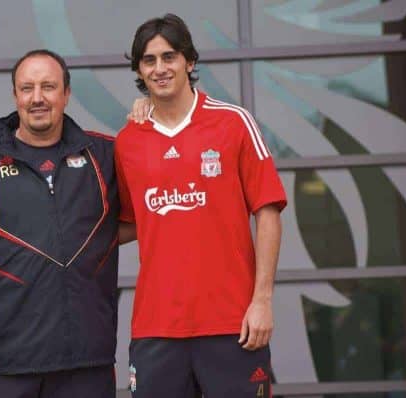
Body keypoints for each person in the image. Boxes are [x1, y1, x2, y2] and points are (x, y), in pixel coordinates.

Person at [115, 14, 287, 398]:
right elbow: (130, 222)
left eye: (169, 57)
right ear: (139, 71)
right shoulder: (128, 141)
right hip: (155, 328)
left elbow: (268, 212)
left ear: (189, 62)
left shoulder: (233, 123)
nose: (159, 68)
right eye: (149, 60)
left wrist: (261, 301)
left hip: (233, 324)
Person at [0, 49, 119, 398]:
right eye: (27, 87)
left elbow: (157, 196)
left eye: (48, 86)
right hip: (5, 362)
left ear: (66, 94)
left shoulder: (104, 156)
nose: (37, 98)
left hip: (86, 361)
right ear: (15, 95)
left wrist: (150, 113)